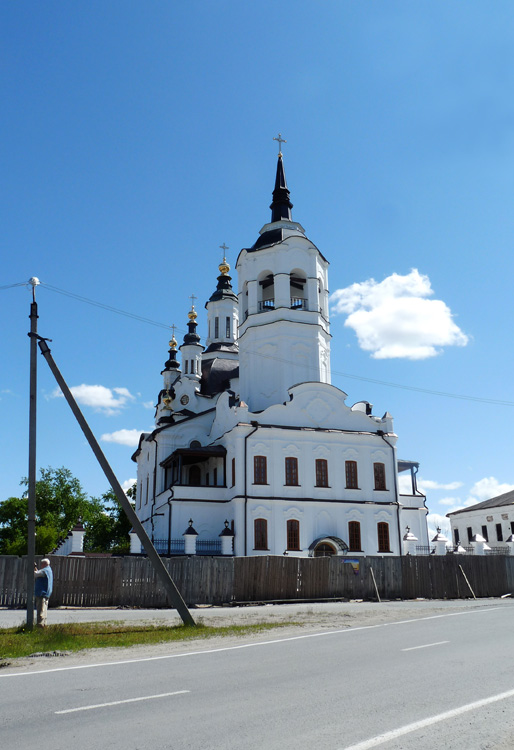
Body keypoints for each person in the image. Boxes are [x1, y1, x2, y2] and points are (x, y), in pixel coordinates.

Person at [34, 558, 53, 627]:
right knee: (44, 610)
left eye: (41, 564)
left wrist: (32, 568)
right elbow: (38, 573)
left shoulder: (45, 571)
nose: (41, 565)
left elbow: (35, 574)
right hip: (46, 594)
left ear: (44, 564)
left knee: (40, 611)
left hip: (41, 593)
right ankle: (44, 625)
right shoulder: (48, 570)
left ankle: (40, 626)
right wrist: (35, 568)